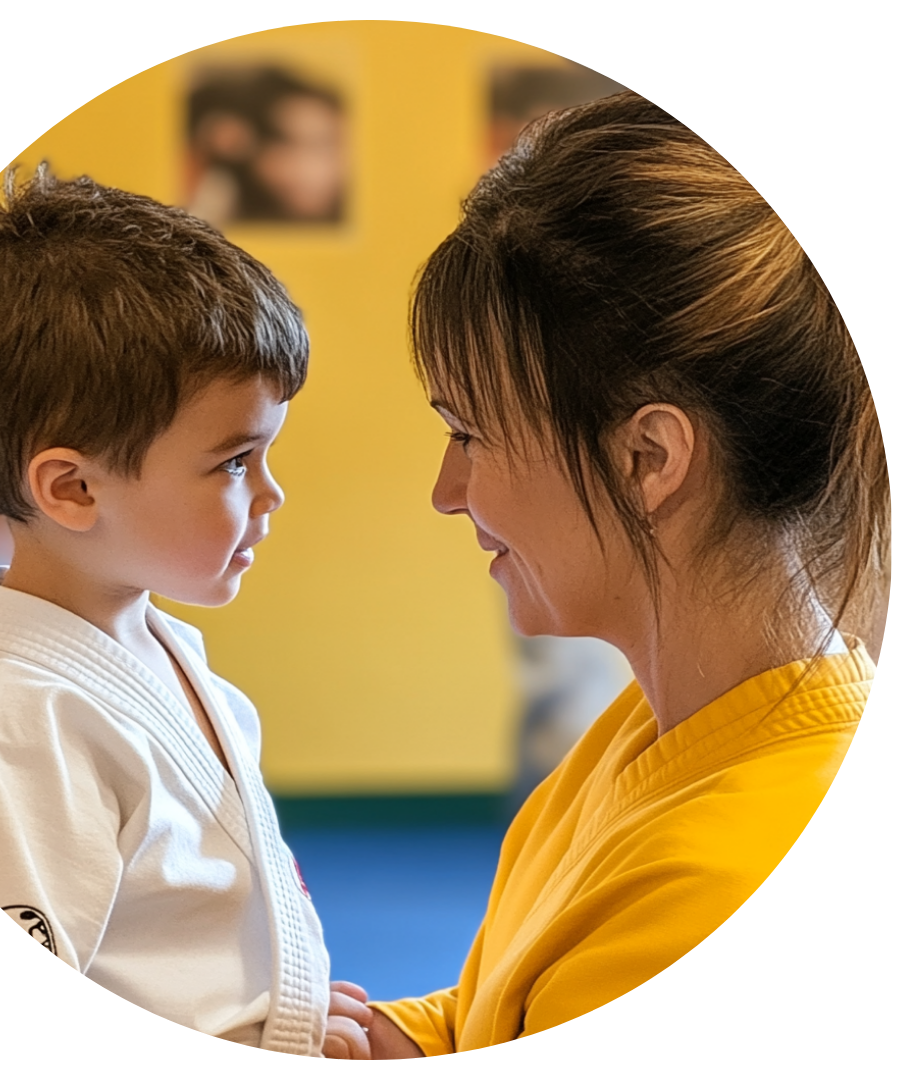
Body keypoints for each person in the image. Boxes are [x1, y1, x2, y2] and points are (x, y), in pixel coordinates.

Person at [323, 90, 888, 1057]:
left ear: (647, 461)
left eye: (469, 432)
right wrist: (385, 1039)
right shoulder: (653, 723)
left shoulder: (719, 885)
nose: (446, 489)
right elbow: (501, 1011)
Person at [0, 169, 331, 1054]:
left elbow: (184, 944)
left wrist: (295, 1006)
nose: (272, 494)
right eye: (236, 462)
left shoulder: (169, 659)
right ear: (74, 488)